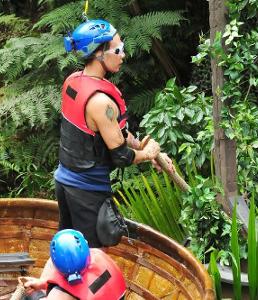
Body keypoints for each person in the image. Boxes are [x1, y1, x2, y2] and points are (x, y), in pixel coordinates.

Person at [54, 19, 174, 248]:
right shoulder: (101, 102)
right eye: (118, 50)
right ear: (99, 53)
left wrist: (146, 148)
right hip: (86, 192)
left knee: (67, 248)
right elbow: (121, 157)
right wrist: (148, 154)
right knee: (92, 256)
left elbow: (117, 134)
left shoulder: (73, 82)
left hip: (64, 181)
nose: (123, 55)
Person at [22, 229, 126, 300]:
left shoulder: (61, 295)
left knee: (31, 296)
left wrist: (35, 295)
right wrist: (42, 283)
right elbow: (92, 286)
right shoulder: (99, 255)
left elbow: (75, 288)